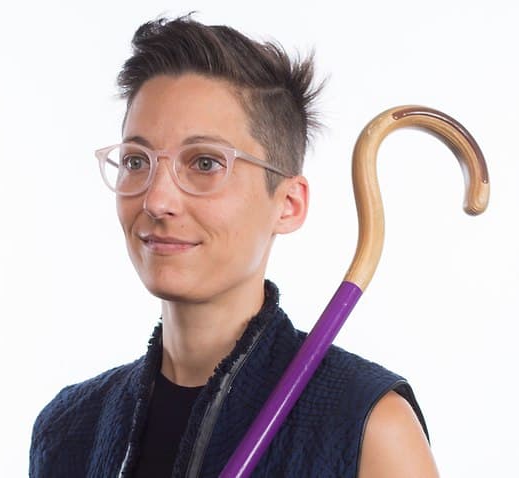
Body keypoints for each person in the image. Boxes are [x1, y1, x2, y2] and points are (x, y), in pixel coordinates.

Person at [30, 14, 438, 478]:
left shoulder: (370, 428)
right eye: (136, 161)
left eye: (205, 163)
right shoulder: (68, 429)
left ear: (288, 204)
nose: (157, 200)